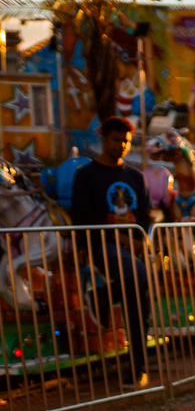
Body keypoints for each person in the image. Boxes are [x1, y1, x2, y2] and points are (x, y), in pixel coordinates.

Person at [69, 116, 153, 390]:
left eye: (126, 141)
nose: (121, 146)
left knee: (138, 298)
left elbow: (145, 217)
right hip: (102, 246)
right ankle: (138, 367)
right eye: (116, 140)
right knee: (141, 281)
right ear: (104, 139)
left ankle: (138, 369)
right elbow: (81, 217)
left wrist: (141, 241)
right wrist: (109, 240)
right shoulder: (86, 175)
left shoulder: (135, 176)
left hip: (132, 250)